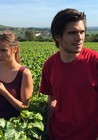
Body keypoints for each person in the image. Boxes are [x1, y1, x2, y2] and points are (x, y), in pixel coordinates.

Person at [40, 8, 98, 140]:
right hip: (57, 135)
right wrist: (48, 130)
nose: (80, 38)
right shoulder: (49, 65)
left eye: (82, 32)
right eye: (72, 33)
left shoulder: (95, 62)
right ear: (58, 37)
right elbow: (52, 99)